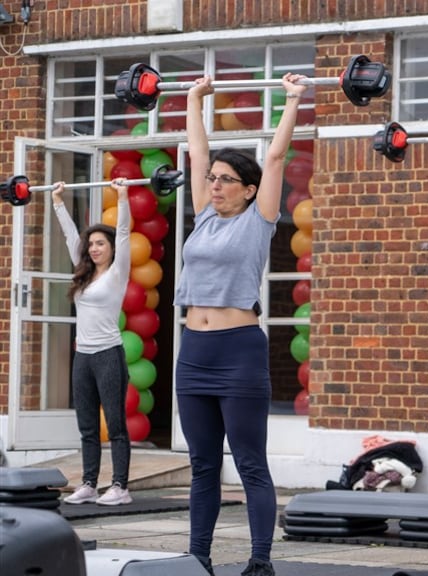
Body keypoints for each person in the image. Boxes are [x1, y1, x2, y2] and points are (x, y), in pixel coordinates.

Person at [175, 72, 308, 576]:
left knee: (250, 463)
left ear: (250, 190)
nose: (214, 185)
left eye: (226, 180)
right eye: (212, 179)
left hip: (238, 351)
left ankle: (259, 561)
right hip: (194, 353)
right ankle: (198, 557)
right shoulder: (204, 217)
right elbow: (195, 152)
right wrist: (193, 100)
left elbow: (275, 157)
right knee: (203, 466)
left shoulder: (260, 220)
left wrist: (293, 100)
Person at [53, 178, 133, 506]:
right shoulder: (85, 275)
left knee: (114, 424)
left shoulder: (117, 273)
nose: (95, 248)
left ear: (112, 247)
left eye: (101, 243)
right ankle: (88, 483)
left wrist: (123, 197)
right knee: (87, 425)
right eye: (92, 245)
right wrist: (59, 201)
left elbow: (126, 232)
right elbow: (72, 236)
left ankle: (120, 487)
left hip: (108, 355)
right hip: (83, 357)